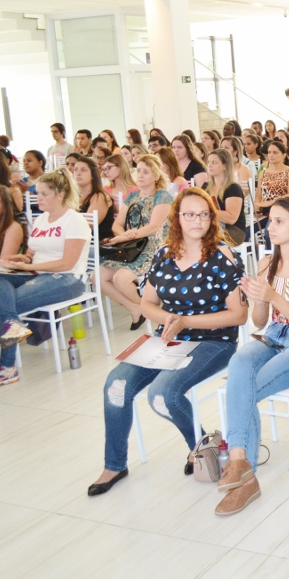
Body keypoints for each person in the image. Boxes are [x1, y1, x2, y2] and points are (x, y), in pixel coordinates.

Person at [89, 189, 247, 496]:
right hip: (170, 337)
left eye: (204, 214)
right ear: (177, 219)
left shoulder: (222, 255)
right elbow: (147, 303)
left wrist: (186, 321)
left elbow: (239, 315)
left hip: (213, 341)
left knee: (162, 395)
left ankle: (198, 447)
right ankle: (115, 464)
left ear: (212, 218)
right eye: (189, 214)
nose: (197, 220)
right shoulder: (164, 254)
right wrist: (169, 318)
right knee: (116, 386)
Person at [215, 197, 289, 515]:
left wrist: (273, 295)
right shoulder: (267, 262)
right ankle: (241, 463)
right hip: (272, 336)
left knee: (245, 388)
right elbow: (261, 322)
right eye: (270, 220)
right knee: (239, 363)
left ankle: (242, 473)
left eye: (279, 221)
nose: (270, 227)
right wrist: (258, 297)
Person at [0, 171, 91, 388]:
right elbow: (32, 253)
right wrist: (22, 258)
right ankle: (11, 338)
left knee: (8, 306)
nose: (38, 198)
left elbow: (67, 263)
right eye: (37, 193)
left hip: (67, 279)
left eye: (44, 194)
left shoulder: (75, 220)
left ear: (60, 194)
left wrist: (28, 266)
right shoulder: (40, 219)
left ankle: (7, 367)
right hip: (36, 272)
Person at [99, 155, 174, 329]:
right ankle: (137, 307)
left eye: (146, 172)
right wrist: (125, 235)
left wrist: (125, 236)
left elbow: (153, 227)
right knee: (97, 277)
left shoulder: (162, 196)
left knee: (121, 279)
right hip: (131, 246)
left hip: (153, 248)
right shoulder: (132, 194)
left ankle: (148, 309)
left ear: (156, 176)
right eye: (138, 170)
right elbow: (117, 224)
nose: (140, 175)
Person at [204, 148, 246, 247]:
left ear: (225, 166)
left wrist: (208, 211)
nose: (209, 165)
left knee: (205, 240)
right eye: (209, 162)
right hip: (211, 226)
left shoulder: (233, 188)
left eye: (214, 162)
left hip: (233, 230)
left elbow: (231, 218)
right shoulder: (205, 186)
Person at [255, 140, 289, 222]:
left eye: (275, 152)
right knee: (247, 232)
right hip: (265, 210)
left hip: (284, 208)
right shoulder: (263, 173)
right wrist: (256, 210)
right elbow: (259, 195)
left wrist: (271, 202)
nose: (271, 155)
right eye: (269, 152)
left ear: (283, 155)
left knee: (269, 231)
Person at [72, 156, 115, 241]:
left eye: (83, 170)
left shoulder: (100, 197)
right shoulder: (73, 196)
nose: (78, 173)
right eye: (76, 170)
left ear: (93, 175)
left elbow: (87, 226)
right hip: (77, 240)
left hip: (97, 244)